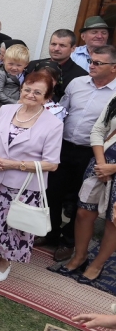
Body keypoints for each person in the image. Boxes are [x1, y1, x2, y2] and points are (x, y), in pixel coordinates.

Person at [0, 71, 63, 281]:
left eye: (38, 92)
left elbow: (52, 164)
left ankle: (4, 261)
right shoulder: (7, 110)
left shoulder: (53, 124)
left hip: (25, 185)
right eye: (27, 89)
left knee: (15, 226)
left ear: (47, 98)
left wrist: (13, 164)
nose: (30, 94)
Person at [43, 46, 116, 260]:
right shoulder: (77, 83)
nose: (91, 65)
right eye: (91, 61)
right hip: (63, 146)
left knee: (78, 199)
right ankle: (50, 233)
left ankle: (68, 242)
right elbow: (61, 113)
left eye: (97, 63)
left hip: (91, 153)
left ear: (113, 68)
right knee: (52, 192)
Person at [52, 94, 116, 284]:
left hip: (112, 166)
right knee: (83, 213)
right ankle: (80, 257)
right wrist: (102, 162)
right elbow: (98, 130)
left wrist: (113, 169)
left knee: (114, 220)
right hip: (101, 162)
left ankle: (97, 265)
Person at [0, 44, 30, 121]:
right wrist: (15, 102)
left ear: (26, 64)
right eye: (10, 64)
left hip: (13, 107)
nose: (14, 68)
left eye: (19, 65)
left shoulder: (25, 75)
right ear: (4, 61)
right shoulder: (0, 73)